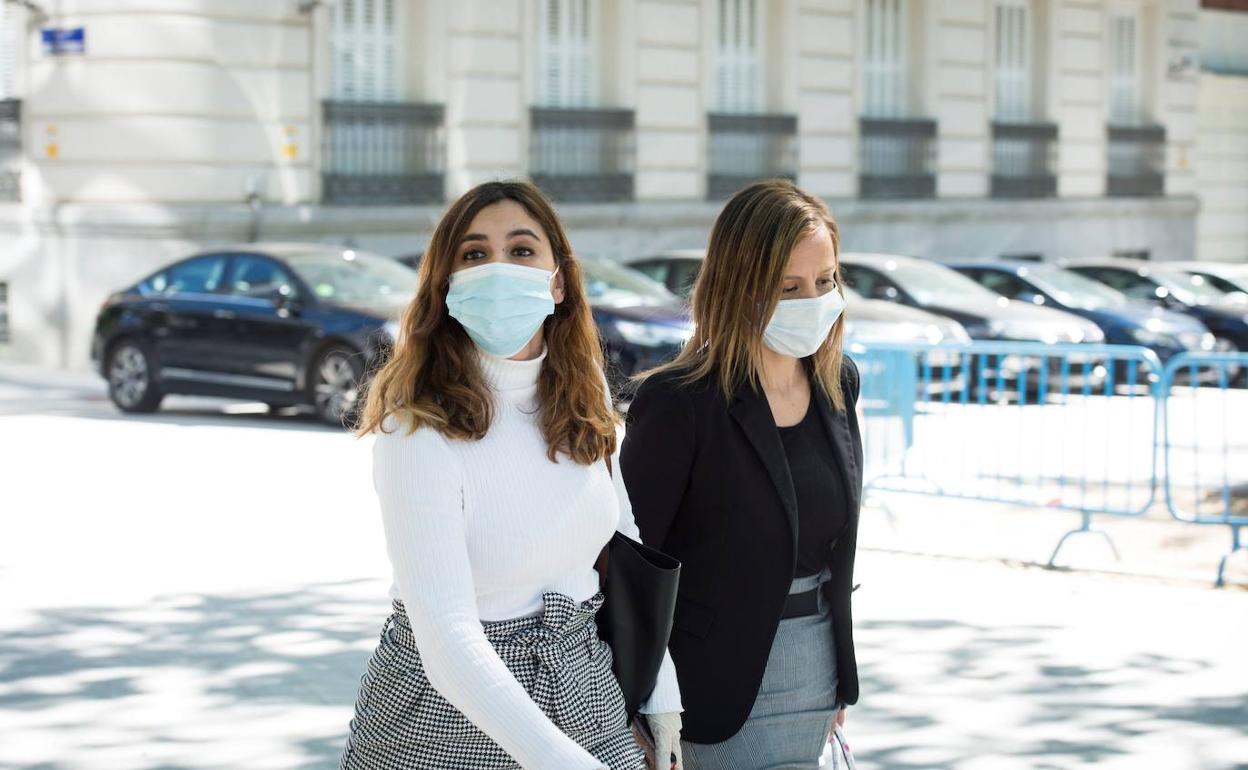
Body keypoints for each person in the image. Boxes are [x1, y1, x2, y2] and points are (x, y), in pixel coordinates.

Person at [340, 180, 684, 770]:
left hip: (583, 677)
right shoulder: (415, 429)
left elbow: (622, 540)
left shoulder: (583, 399)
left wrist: (661, 688)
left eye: (522, 250)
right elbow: (447, 636)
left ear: (558, 282)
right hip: (444, 716)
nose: (498, 269)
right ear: (447, 286)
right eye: (475, 254)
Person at [620, 180, 863, 768]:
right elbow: (628, 564)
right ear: (739, 288)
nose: (813, 300)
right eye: (789, 287)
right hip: (710, 687)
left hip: (817, 670)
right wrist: (635, 704)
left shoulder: (838, 383)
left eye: (825, 281)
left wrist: (836, 671)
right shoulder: (678, 402)